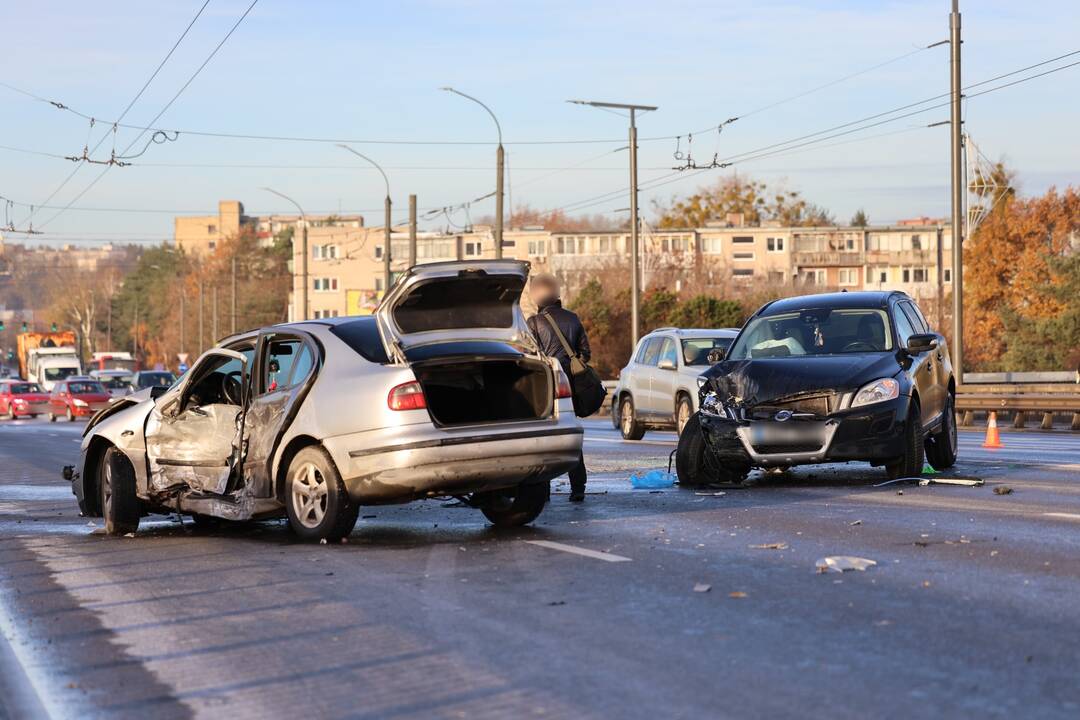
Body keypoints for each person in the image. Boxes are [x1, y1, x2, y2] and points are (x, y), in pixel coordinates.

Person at [526, 273, 591, 502]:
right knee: (570, 434)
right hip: (569, 387)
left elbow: (528, 355)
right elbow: (586, 354)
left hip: (544, 388)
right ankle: (578, 488)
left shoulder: (533, 322)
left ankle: (542, 490)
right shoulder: (573, 319)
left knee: (542, 438)